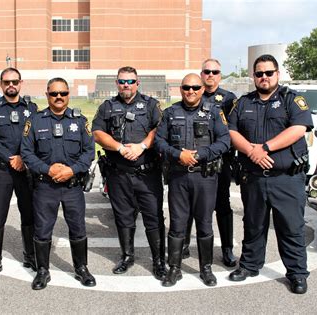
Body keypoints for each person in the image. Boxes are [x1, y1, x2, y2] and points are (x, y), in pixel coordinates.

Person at [228, 54, 312, 294]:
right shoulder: (243, 103)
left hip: (286, 178)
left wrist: (264, 148)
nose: (263, 77)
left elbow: (298, 129)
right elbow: (232, 132)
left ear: (278, 74)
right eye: (259, 74)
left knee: (291, 227)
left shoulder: (292, 100)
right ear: (253, 76)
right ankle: (249, 265)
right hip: (253, 177)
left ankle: (296, 273)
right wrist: (251, 151)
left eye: (268, 73)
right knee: (253, 224)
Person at [91, 66, 167, 280]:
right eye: (122, 81)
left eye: (130, 81)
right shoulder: (108, 106)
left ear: (137, 83)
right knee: (123, 218)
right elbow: (97, 132)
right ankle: (127, 257)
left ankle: (159, 261)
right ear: (117, 83)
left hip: (147, 174)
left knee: (154, 218)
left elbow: (158, 129)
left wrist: (141, 146)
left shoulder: (151, 105)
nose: (126, 85)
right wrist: (120, 147)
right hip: (118, 174)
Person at [21, 77, 96, 290]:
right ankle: (42, 271)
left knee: (78, 228)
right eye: (54, 94)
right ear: (47, 95)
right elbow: (26, 152)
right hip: (46, 186)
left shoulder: (79, 121)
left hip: (72, 186)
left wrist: (72, 170)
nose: (59, 97)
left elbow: (89, 151)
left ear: (68, 95)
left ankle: (81, 268)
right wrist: (48, 169)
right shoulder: (35, 121)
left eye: (63, 93)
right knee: (43, 230)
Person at [155, 73, 230, 287]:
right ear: (180, 89)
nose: (191, 91)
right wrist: (178, 154)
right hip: (179, 176)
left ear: (202, 89)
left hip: (204, 176)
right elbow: (159, 141)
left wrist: (201, 154)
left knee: (205, 224)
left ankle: (205, 269)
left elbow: (225, 141)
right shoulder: (170, 113)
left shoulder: (214, 112)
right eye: (187, 87)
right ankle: (174, 268)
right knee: (177, 224)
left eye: (195, 87)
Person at [0, 67, 38, 280]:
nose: (11, 85)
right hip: (2, 170)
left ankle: (30, 255)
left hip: (26, 170)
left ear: (21, 83)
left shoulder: (31, 108)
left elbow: (35, 136)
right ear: (1, 84)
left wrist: (23, 158)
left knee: (29, 215)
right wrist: (10, 158)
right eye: (7, 82)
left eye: (14, 81)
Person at [182, 59, 238, 267]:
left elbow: (232, 131)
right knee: (188, 206)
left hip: (219, 162)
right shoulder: (193, 93)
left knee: (222, 206)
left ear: (220, 75)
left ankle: (227, 250)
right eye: (207, 71)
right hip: (192, 162)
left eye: (215, 71)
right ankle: (185, 245)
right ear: (201, 74)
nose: (210, 75)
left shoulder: (229, 99)